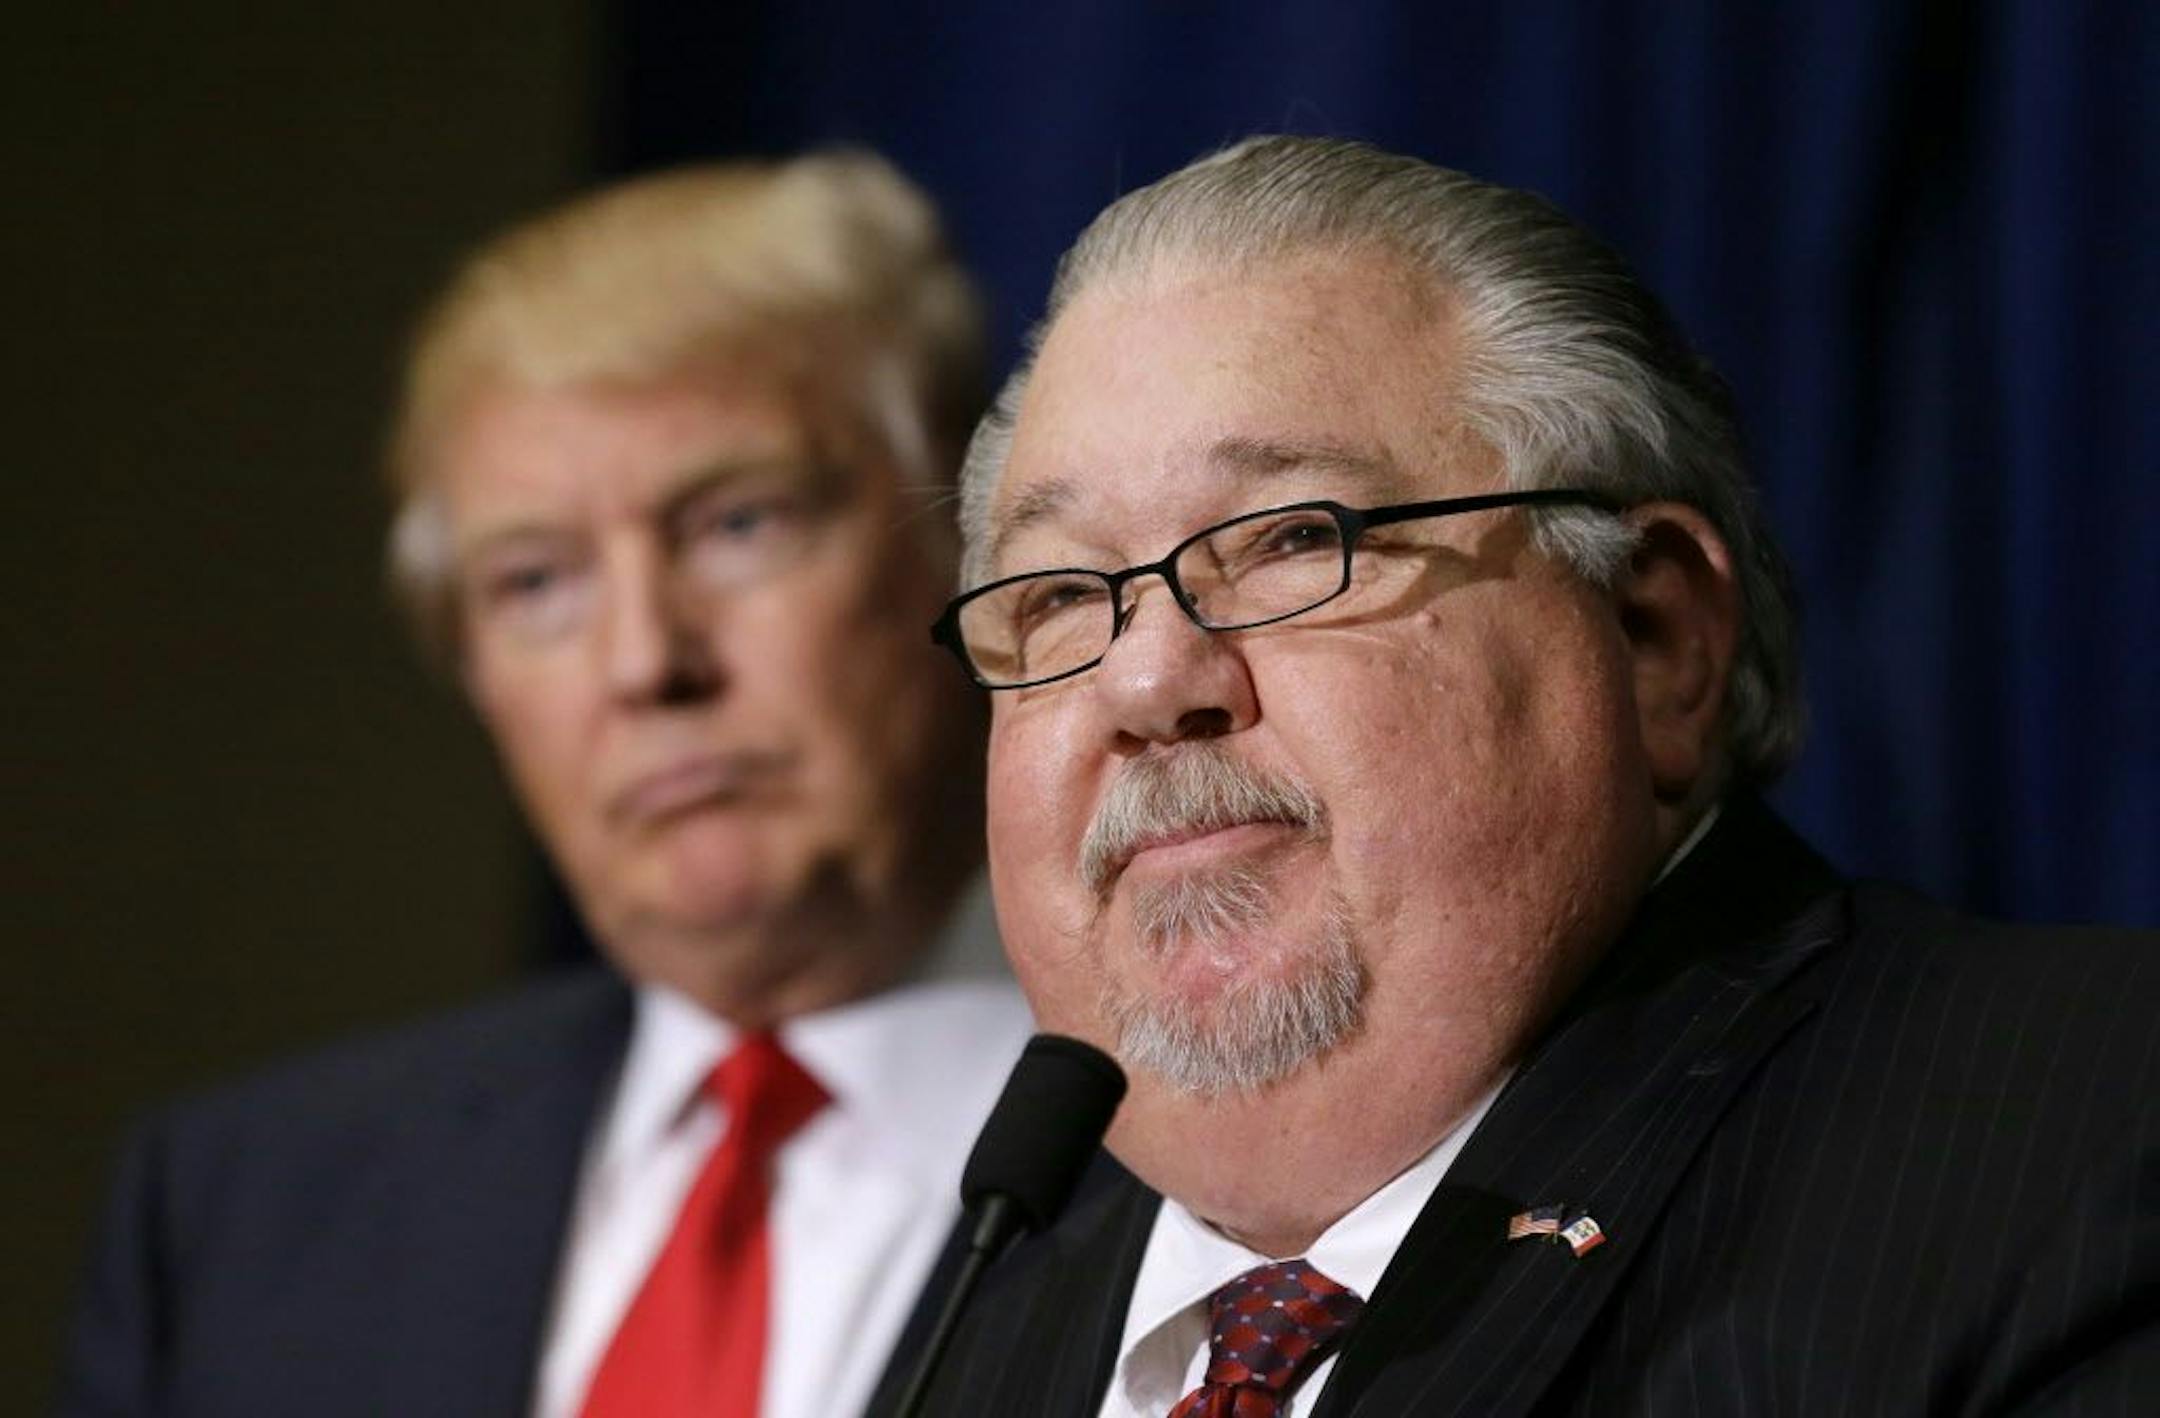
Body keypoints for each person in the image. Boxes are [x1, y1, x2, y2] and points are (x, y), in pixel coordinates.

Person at [915, 135, 2160, 1415]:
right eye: (1063, 594)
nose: (1145, 680)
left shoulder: (2082, 1147)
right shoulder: (976, 1299)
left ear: (1653, 639)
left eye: (1295, 539)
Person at [59, 151, 1035, 1418]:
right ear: (469, 668)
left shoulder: (1241, 1168)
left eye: (739, 524)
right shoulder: (241, 1207)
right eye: (538, 582)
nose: (644, 662)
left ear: (966, 551)